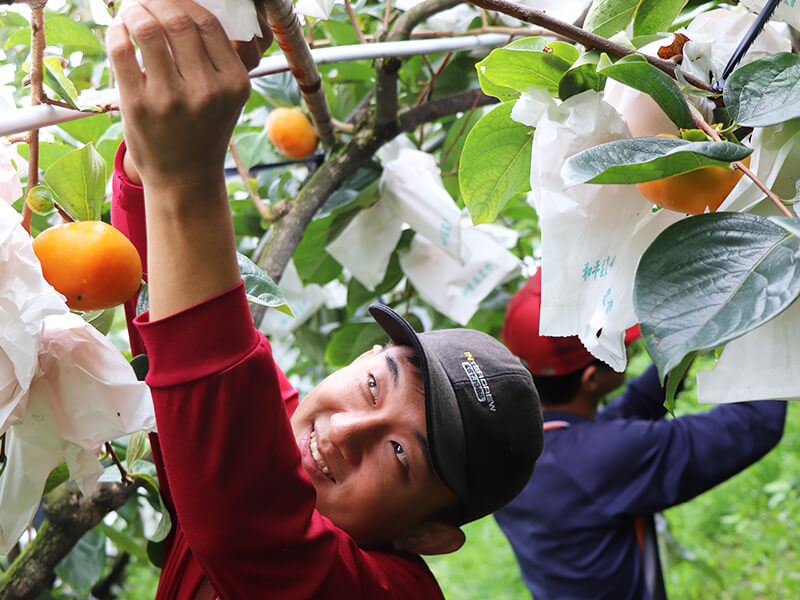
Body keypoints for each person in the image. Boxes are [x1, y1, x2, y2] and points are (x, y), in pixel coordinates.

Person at [105, 1, 544, 598]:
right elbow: (179, 350)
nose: (344, 432)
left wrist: (183, 177)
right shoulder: (275, 428)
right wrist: (154, 127)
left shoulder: (391, 591)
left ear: (426, 537)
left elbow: (245, 519)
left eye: (399, 454)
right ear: (358, 360)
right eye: (373, 385)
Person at [493, 269, 787, 600]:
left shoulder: (514, 447)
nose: (628, 348)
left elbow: (631, 409)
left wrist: (689, 335)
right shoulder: (603, 458)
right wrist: (765, 306)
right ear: (591, 379)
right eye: (621, 346)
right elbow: (755, 423)